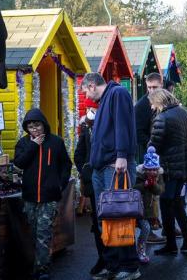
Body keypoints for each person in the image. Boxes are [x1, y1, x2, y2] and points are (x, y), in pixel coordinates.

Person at [80, 72, 140, 280]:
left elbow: (123, 125)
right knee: (106, 218)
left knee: (120, 215)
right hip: (102, 167)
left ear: (91, 85)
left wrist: (122, 155)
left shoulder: (118, 94)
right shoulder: (107, 99)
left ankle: (130, 266)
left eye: (85, 92)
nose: (87, 98)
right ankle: (113, 265)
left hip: (113, 166)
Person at [14, 109, 72, 280]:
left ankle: (42, 269)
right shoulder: (23, 143)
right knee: (33, 232)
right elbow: (19, 163)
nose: (35, 130)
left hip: (49, 197)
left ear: (44, 125)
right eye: (31, 127)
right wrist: (34, 145)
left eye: (37, 125)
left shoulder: (56, 142)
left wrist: (59, 185)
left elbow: (66, 165)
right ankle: (36, 264)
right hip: (30, 197)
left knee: (43, 233)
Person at [148, 89, 187, 255]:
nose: (151, 106)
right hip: (184, 164)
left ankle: (171, 243)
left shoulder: (162, 117)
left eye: (152, 102)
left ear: (158, 101)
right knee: (176, 202)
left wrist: (149, 150)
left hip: (170, 165)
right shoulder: (183, 113)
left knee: (166, 203)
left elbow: (155, 143)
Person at [73, 98, 104, 276]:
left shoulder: (91, 129)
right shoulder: (87, 130)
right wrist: (86, 173)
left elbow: (78, 156)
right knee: (100, 220)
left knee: (104, 219)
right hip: (95, 182)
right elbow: (78, 155)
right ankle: (104, 258)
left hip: (101, 180)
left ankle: (107, 258)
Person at [133, 146, 165, 264]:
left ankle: (141, 249)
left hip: (147, 210)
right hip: (135, 208)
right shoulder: (139, 175)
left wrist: (153, 185)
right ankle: (131, 251)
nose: (152, 172)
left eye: (154, 170)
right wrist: (144, 185)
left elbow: (160, 191)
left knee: (146, 229)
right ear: (145, 169)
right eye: (149, 170)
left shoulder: (159, 176)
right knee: (131, 231)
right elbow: (133, 188)